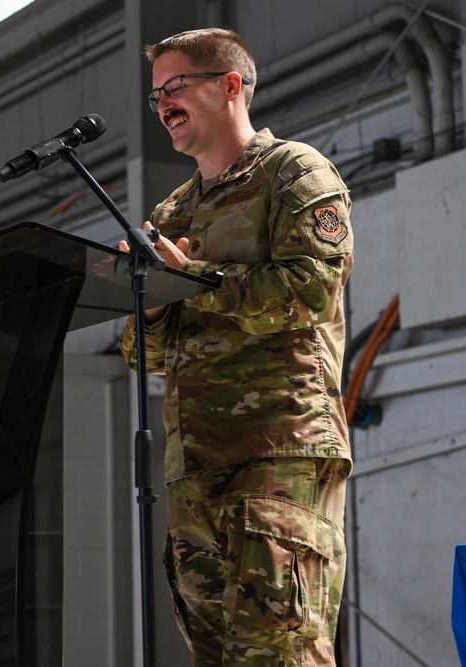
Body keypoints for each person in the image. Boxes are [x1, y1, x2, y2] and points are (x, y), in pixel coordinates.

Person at [118, 28, 354, 666]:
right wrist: (156, 301)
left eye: (176, 87)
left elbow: (309, 292)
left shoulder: (294, 173)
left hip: (276, 456)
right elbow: (145, 354)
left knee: (281, 653)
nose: (164, 103)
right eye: (155, 95)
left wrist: (193, 280)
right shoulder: (171, 213)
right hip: (194, 470)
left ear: (230, 86)